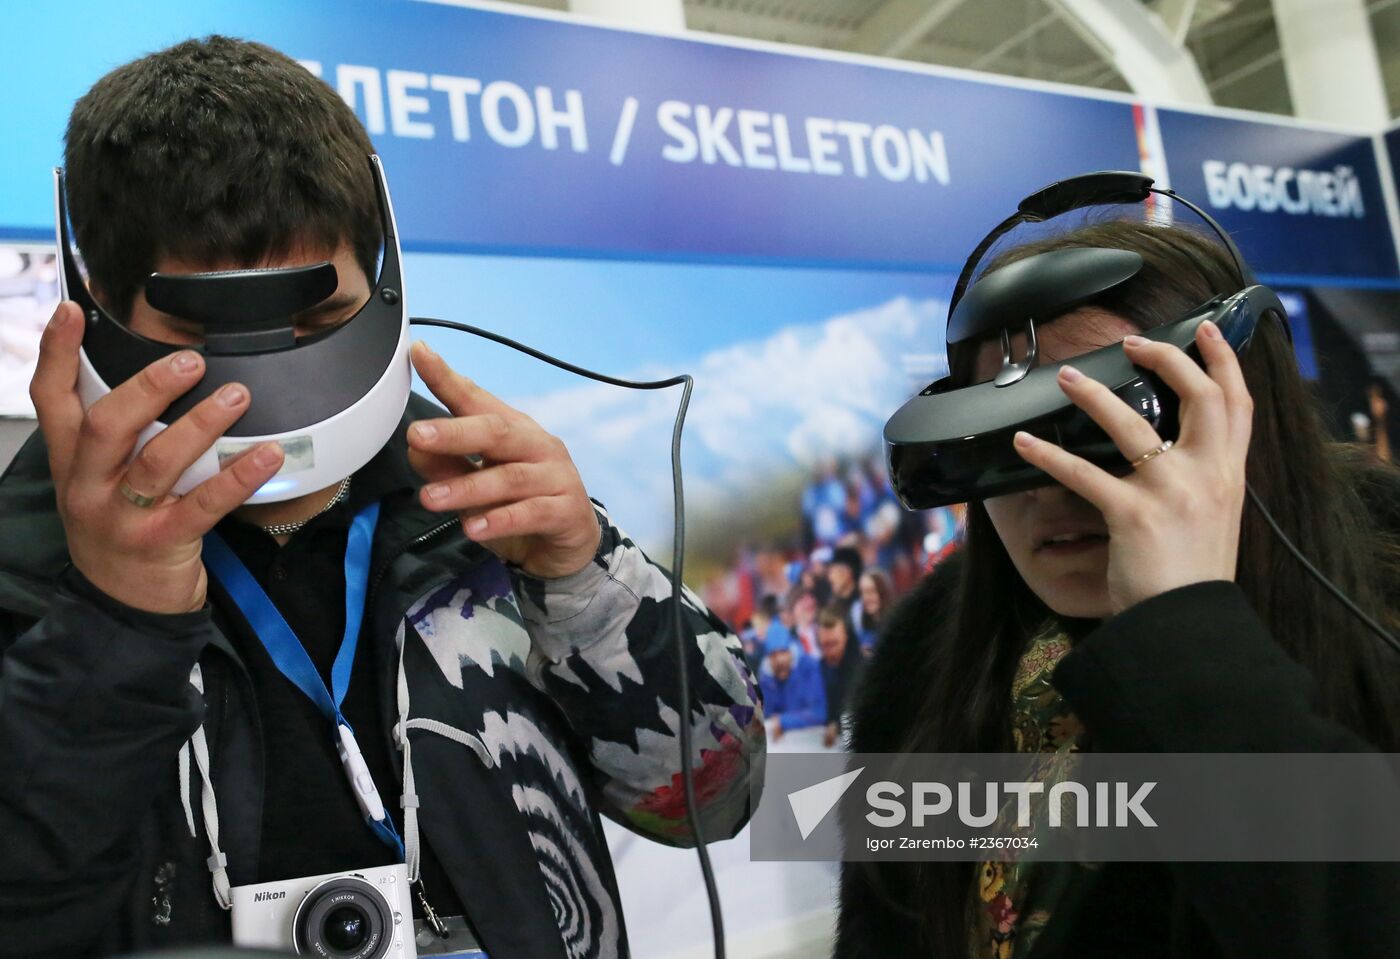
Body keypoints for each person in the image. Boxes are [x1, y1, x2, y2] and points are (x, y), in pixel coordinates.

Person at [0, 37, 764, 959]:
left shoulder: (488, 520)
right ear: (97, 311)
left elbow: (718, 800)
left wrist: (585, 579)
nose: (266, 395)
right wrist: (113, 624)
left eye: (318, 324)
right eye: (205, 332)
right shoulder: (26, 569)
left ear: (386, 284)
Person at [836, 220, 1400, 958]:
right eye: (1006, 441)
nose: (1053, 484)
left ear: (1237, 406)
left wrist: (1185, 629)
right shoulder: (927, 669)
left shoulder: (1378, 606)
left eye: (1107, 425)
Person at [758, 639, 825, 743]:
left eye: (783, 652)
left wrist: (783, 721)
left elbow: (818, 713)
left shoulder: (808, 668)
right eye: (773, 655)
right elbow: (768, 717)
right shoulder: (767, 681)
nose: (779, 660)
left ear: (791, 652)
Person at [816, 603, 862, 748]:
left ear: (846, 636)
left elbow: (856, 707)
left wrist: (837, 725)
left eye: (835, 644)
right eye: (825, 645)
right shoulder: (821, 667)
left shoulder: (860, 668)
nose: (830, 652)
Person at [853, 568, 892, 653]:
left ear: (882, 592)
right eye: (862, 592)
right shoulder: (863, 626)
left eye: (871, 591)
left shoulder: (894, 626)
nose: (865, 598)